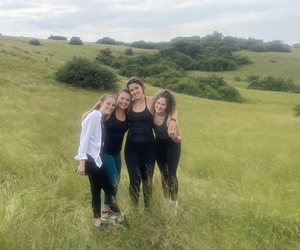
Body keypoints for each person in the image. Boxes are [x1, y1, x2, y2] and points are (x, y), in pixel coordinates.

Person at [75, 94, 128, 228]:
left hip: (97, 160)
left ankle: (98, 223)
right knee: (110, 189)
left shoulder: (100, 118)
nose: (110, 107)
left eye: (112, 105)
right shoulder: (93, 117)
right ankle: (119, 217)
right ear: (101, 103)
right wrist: (82, 164)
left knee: (96, 191)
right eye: (108, 104)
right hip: (91, 161)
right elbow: (84, 140)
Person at [125, 77, 178, 210]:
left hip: (149, 147)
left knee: (147, 180)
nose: (134, 91)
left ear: (142, 87)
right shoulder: (128, 104)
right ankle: (134, 209)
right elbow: (112, 106)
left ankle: (147, 208)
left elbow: (171, 106)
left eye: (136, 88)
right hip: (131, 148)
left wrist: (173, 120)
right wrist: (93, 109)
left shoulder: (152, 101)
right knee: (134, 180)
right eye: (131, 90)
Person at [101, 89, 131, 220]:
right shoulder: (109, 111)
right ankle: (112, 211)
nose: (124, 102)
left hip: (117, 152)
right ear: (117, 98)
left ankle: (106, 210)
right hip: (105, 152)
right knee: (113, 181)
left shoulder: (127, 114)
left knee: (116, 181)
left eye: (127, 100)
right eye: (122, 98)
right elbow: (87, 116)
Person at [153, 90, 182, 215]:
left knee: (172, 175)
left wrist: (174, 136)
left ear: (167, 106)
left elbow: (180, 137)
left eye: (163, 105)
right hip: (158, 145)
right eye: (158, 103)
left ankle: (174, 204)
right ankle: (166, 202)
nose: (159, 106)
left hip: (172, 145)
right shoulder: (152, 112)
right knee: (163, 174)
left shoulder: (171, 118)